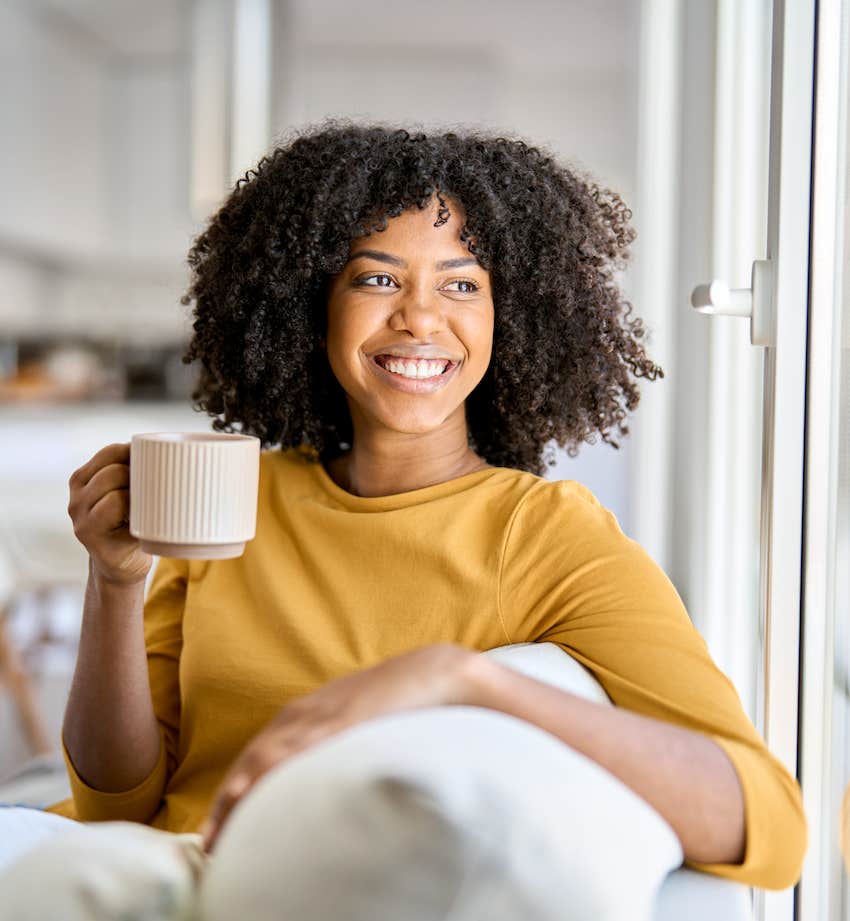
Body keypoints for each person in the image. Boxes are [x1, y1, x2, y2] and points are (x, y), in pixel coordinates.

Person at [5, 121, 805, 899]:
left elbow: (768, 824)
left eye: (462, 284)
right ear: (311, 303)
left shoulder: (547, 535)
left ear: (511, 317)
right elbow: (117, 802)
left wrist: (468, 680)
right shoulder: (236, 498)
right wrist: (114, 582)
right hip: (151, 878)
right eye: (377, 277)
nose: (420, 317)